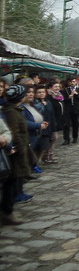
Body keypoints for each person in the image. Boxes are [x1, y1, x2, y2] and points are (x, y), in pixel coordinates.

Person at [0, 85, 31, 225]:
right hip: (15, 152)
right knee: (11, 182)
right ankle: (7, 210)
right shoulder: (12, 112)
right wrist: (19, 149)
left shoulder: (14, 110)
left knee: (13, 181)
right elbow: (14, 132)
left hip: (17, 150)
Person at [61, 77, 79, 144]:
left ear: (76, 82)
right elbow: (62, 99)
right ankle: (66, 139)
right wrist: (68, 97)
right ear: (69, 82)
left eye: (74, 81)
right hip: (67, 109)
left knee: (75, 124)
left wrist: (77, 95)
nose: (72, 83)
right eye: (71, 82)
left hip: (76, 109)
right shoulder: (65, 90)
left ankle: (75, 137)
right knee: (66, 124)